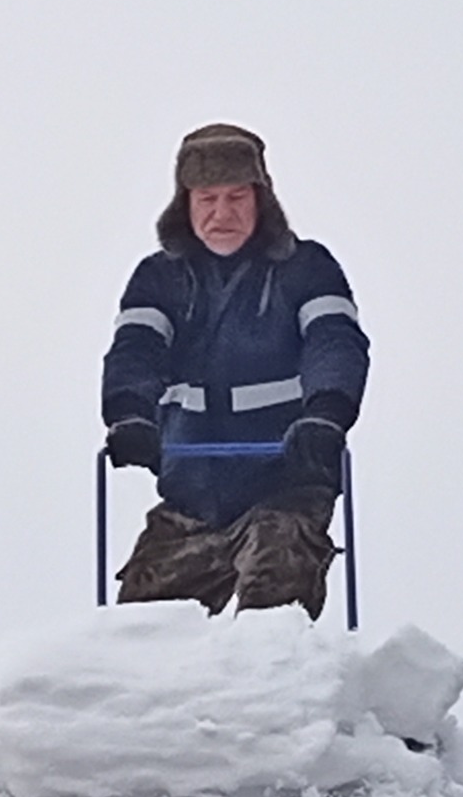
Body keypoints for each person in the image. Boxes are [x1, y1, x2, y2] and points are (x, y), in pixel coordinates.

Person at [101, 124, 370, 618]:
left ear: (261, 200)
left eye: (237, 197)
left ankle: (276, 666)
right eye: (207, 198)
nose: (221, 213)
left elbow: (334, 342)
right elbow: (135, 351)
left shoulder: (307, 269)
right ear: (184, 204)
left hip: (286, 485)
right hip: (190, 494)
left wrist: (327, 413)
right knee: (138, 633)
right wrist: (129, 413)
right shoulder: (158, 279)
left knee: (275, 593)